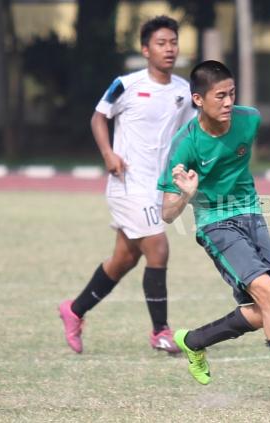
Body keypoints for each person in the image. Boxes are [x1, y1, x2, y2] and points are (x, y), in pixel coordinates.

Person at [157, 60, 270, 405]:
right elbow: (167, 214)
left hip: (252, 215)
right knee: (269, 296)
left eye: (231, 94)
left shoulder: (249, 119)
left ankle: (195, 341)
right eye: (219, 96)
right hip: (215, 223)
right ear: (198, 99)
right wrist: (186, 193)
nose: (228, 102)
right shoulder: (186, 145)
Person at [58, 16, 196, 354]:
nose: (169, 49)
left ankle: (73, 311)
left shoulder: (182, 91)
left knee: (123, 259)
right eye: (162, 43)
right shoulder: (125, 84)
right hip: (127, 182)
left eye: (173, 42)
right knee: (159, 247)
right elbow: (98, 117)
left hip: (158, 185)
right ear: (145, 49)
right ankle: (160, 332)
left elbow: (190, 135)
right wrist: (108, 154)